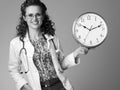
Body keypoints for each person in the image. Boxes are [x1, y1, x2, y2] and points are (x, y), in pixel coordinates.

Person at [8, 0, 89, 90]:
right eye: (30, 15)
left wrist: (75, 53)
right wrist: (25, 86)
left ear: (43, 16)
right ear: (24, 17)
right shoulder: (16, 43)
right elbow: (13, 70)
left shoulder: (53, 39)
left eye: (38, 14)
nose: (34, 19)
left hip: (60, 86)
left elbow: (61, 65)